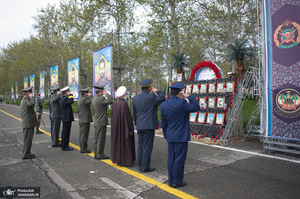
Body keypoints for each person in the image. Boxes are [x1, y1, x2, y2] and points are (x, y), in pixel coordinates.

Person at [160, 82, 200, 188]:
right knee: (179, 159)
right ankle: (177, 181)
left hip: (170, 135)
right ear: (180, 93)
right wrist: (190, 97)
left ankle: (171, 180)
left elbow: (163, 122)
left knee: (171, 158)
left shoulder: (164, 104)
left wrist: (165, 135)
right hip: (181, 136)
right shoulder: (182, 103)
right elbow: (196, 107)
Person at [132, 79, 165, 172]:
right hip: (149, 125)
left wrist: (136, 123)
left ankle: (140, 165)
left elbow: (134, 113)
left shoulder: (135, 98)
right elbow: (163, 98)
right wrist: (158, 91)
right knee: (147, 146)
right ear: (149, 88)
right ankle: (145, 167)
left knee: (140, 145)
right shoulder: (152, 97)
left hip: (139, 125)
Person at [111, 86, 135, 166]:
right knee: (125, 143)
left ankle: (118, 159)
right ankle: (125, 160)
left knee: (117, 143)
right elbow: (128, 118)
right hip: (124, 127)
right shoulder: (124, 104)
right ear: (124, 94)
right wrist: (131, 129)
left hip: (116, 127)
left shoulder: (115, 103)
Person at [92, 85, 113, 160]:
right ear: (101, 91)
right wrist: (107, 94)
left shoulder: (94, 99)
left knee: (96, 138)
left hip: (96, 120)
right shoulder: (101, 99)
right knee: (101, 139)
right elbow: (111, 101)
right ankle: (100, 154)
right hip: (101, 122)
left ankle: (96, 153)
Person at [20, 86, 38, 159]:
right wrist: (33, 97)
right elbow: (31, 104)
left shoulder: (25, 100)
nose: (31, 93)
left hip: (27, 123)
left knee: (27, 139)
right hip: (28, 123)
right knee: (28, 140)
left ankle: (26, 152)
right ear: (28, 93)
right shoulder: (26, 100)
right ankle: (26, 154)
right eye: (30, 92)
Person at [77, 87, 93, 153]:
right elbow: (91, 101)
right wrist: (91, 95)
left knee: (82, 134)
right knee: (84, 135)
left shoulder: (80, 99)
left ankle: (82, 147)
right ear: (85, 93)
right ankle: (84, 149)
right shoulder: (84, 100)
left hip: (82, 119)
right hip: (85, 120)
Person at [60, 86, 74, 151]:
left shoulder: (63, 98)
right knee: (66, 132)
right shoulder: (65, 99)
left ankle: (64, 144)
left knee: (65, 132)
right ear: (65, 92)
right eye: (68, 91)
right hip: (66, 117)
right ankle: (65, 146)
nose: (69, 92)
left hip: (65, 117)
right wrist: (71, 95)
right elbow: (71, 101)